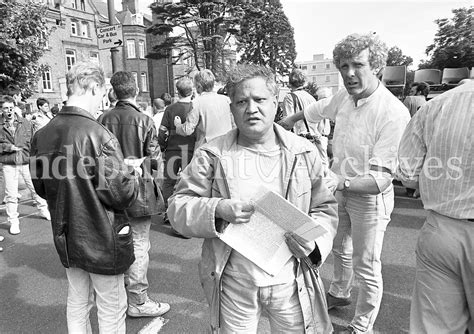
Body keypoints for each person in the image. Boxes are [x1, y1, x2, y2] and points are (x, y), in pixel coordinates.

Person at [167, 64, 338, 333]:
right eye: (241, 102)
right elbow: (178, 208)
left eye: (259, 100)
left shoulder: (303, 153)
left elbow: (324, 208)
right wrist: (217, 209)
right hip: (234, 282)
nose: (251, 108)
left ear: (275, 102)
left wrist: (314, 244)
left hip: (291, 281)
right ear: (232, 108)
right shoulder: (211, 155)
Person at [279, 33, 410, 334]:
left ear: (375, 65)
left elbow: (380, 180)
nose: (349, 73)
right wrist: (287, 122)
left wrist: (340, 181)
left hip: (368, 198)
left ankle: (362, 327)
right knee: (339, 247)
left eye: (357, 65)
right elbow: (315, 109)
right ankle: (339, 292)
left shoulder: (393, 113)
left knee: (367, 264)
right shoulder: (344, 98)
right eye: (343, 66)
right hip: (340, 189)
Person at [29, 61, 139, 333]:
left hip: (67, 234)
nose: (103, 100)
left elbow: (40, 187)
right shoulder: (98, 135)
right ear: (94, 87)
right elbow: (121, 196)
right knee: (111, 307)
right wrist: (131, 176)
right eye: (103, 94)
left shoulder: (42, 135)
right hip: (102, 237)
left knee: (78, 301)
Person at [397, 80, 474, 334]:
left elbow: (407, 172)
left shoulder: (438, 105)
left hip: (442, 229)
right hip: (444, 228)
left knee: (434, 329)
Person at [98, 71, 170, 318]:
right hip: (138, 190)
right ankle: (138, 301)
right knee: (139, 244)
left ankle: (117, 298)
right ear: (136, 90)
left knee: (115, 241)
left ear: (113, 91)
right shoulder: (145, 120)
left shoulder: (102, 120)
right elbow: (154, 161)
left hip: (109, 190)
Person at [0, 95, 51, 235]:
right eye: (5, 108)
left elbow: (33, 140)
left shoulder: (24, 122)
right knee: (11, 194)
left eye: (11, 107)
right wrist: (7, 147)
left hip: (26, 161)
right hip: (9, 162)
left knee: (35, 187)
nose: (9, 111)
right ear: (1, 110)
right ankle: (13, 221)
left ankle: (43, 209)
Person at [158, 77, 196, 217]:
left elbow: (162, 131)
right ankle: (184, 214)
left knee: (169, 182)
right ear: (191, 91)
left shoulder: (170, 109)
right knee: (187, 184)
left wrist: (162, 146)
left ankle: (168, 212)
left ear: (177, 91)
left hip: (173, 150)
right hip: (190, 150)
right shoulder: (195, 107)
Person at [174, 69, 234, 150]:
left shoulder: (196, 103)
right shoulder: (227, 100)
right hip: (227, 146)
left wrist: (178, 126)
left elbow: (187, 130)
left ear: (199, 86)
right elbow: (234, 124)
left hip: (207, 148)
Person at [282, 69, 317, 135]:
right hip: (312, 138)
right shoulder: (311, 98)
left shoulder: (289, 97)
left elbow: (287, 123)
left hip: (297, 138)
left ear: (290, 81)